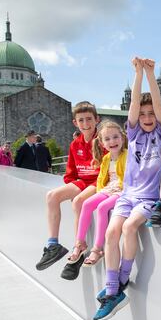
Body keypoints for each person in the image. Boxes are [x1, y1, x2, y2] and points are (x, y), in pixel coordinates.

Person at [96, 57, 161, 320]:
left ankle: (120, 282)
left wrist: (150, 73)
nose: (147, 117)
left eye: (151, 114)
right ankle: (113, 287)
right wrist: (137, 74)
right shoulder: (134, 133)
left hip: (149, 198)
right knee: (111, 232)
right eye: (143, 114)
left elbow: (157, 104)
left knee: (129, 228)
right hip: (127, 196)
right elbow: (135, 104)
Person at [35, 102, 101, 271]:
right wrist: (72, 186)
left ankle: (79, 247)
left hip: (99, 181)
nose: (85, 124)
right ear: (75, 123)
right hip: (82, 181)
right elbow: (71, 172)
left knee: (78, 201)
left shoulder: (102, 141)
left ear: (96, 120)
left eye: (89, 119)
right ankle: (53, 245)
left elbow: (108, 171)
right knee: (52, 196)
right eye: (81, 120)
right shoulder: (75, 144)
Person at [62, 121, 128, 276]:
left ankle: (97, 248)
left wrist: (117, 190)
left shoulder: (127, 155)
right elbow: (101, 179)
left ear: (122, 137)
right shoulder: (106, 159)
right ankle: (79, 244)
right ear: (102, 143)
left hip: (123, 190)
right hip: (108, 188)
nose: (112, 141)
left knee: (103, 208)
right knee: (86, 204)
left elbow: (129, 178)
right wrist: (100, 193)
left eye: (115, 137)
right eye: (108, 139)